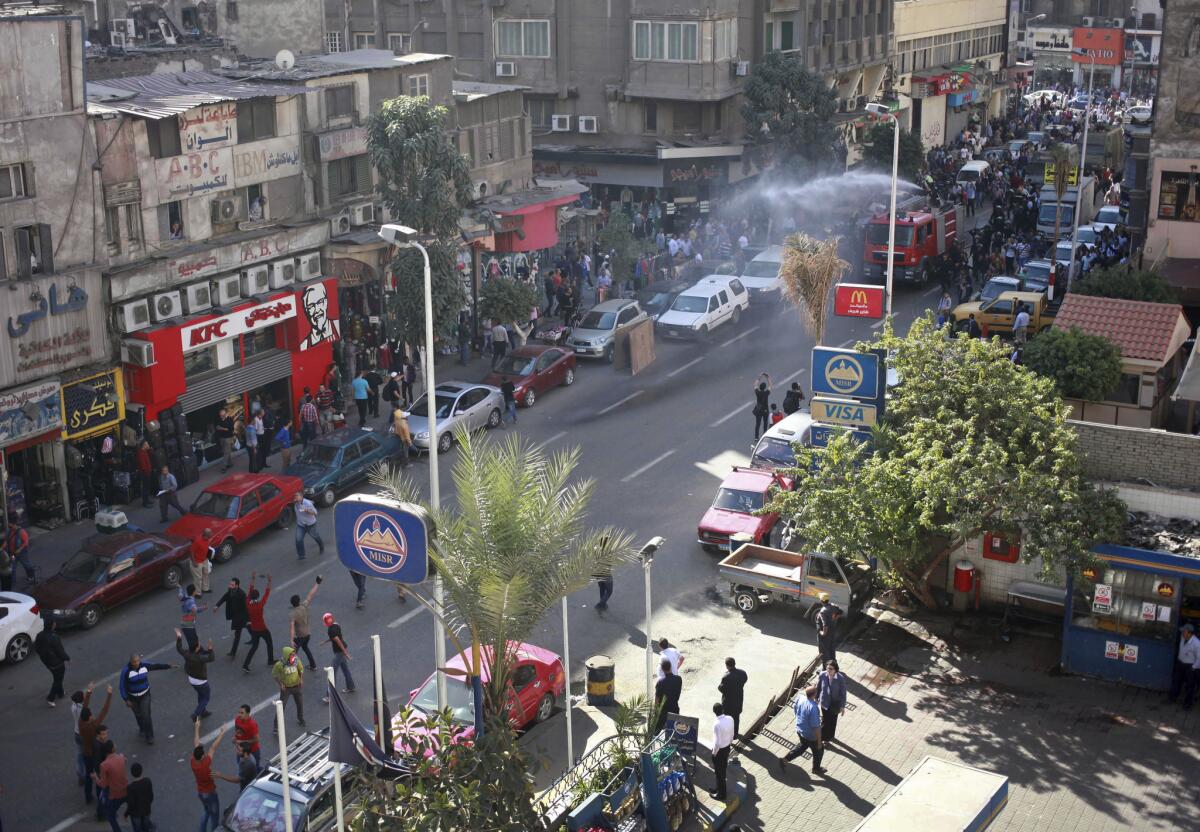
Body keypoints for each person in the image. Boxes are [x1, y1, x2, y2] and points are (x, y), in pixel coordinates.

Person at [191, 721, 237, 832]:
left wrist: (197, 727)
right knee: (215, 817)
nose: (205, 753)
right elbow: (213, 748)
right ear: (202, 756)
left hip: (201, 792)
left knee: (206, 812)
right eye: (204, 753)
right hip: (210, 792)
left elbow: (196, 743)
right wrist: (222, 733)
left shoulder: (193, 761)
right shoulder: (205, 763)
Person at [119, 654, 172, 744]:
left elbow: (155, 666)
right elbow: (122, 686)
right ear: (131, 662)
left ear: (140, 660)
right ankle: (142, 728)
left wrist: (168, 666)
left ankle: (150, 736)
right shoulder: (126, 671)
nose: (136, 663)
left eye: (138, 661)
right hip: (132, 697)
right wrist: (126, 699)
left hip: (145, 695)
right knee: (138, 715)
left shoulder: (144, 665)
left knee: (146, 716)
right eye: (134, 662)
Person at [778, 685, 826, 775]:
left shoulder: (801, 697)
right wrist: (819, 742)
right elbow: (816, 727)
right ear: (815, 695)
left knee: (802, 746)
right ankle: (816, 768)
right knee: (819, 751)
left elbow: (795, 709)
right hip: (810, 735)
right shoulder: (813, 708)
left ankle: (785, 760)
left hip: (800, 730)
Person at [79, 683, 113, 806]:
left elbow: (84, 707)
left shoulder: (81, 723)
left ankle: (88, 796)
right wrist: (109, 695)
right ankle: (101, 800)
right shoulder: (93, 726)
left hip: (85, 752)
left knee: (89, 776)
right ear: (89, 718)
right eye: (91, 715)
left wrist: (89, 692)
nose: (93, 715)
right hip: (94, 753)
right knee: (99, 775)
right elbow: (104, 711)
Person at [176, 629, 216, 721]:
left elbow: (179, 648)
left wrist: (179, 637)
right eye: (198, 645)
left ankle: (203, 711)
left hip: (192, 679)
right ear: (197, 648)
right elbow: (211, 658)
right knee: (206, 697)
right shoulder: (200, 658)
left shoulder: (187, 654)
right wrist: (210, 648)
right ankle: (196, 714)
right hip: (201, 680)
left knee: (200, 694)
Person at [92, 735, 128, 832]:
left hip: (114, 794)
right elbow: (124, 760)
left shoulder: (104, 765)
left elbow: (103, 784)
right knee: (133, 808)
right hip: (125, 790)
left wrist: (95, 778)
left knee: (110, 816)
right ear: (113, 748)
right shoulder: (121, 758)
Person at [241, 573, 274, 673]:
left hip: (254, 629)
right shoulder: (260, 605)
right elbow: (267, 592)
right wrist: (269, 581)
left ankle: (245, 665)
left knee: (254, 647)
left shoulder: (248, 604)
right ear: (258, 596)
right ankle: (270, 660)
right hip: (262, 628)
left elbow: (250, 589)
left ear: (250, 597)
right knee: (269, 643)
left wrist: (253, 578)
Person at [289, 576, 322, 671]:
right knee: (306, 648)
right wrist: (317, 583)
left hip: (300, 637)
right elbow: (311, 594)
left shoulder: (293, 614)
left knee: (293, 653)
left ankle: (292, 670)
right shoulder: (304, 606)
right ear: (299, 601)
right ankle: (313, 665)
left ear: (292, 604)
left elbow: (292, 628)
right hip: (308, 634)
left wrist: (291, 640)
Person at [35, 618, 70, 706]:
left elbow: (37, 648)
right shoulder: (54, 637)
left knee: (57, 677)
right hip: (57, 663)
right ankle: (51, 698)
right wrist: (67, 658)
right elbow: (60, 651)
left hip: (47, 662)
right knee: (58, 679)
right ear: (51, 626)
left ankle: (60, 692)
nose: (55, 625)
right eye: (54, 624)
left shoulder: (39, 635)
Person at [321, 612, 356, 698]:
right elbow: (336, 637)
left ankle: (330, 696)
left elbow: (337, 640)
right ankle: (351, 686)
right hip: (342, 650)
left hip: (339, 652)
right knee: (345, 669)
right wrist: (326, 641)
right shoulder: (336, 625)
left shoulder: (330, 630)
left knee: (332, 671)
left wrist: (345, 653)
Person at [1167, 623, 1200, 709]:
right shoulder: (1183, 637)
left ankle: (1187, 704)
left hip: (1190, 667)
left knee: (1190, 686)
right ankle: (1172, 698)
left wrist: (1193, 668)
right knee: (1176, 682)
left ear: (1190, 633)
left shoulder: (1197, 644)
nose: (1182, 633)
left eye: (1184, 632)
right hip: (1180, 663)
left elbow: (1199, 658)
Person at [271, 646, 306, 728]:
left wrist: (301, 679)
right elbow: (274, 674)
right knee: (281, 707)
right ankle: (276, 726)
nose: (293, 656)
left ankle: (300, 719)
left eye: (294, 654)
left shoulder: (296, 660)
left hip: (297, 686)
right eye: (291, 655)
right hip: (286, 689)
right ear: (286, 655)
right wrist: (281, 684)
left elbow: (301, 669)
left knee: (300, 704)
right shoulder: (280, 664)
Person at [215, 577, 249, 659]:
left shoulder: (242, 594)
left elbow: (246, 607)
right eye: (230, 584)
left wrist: (248, 619)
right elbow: (224, 597)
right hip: (234, 615)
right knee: (249, 627)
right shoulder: (230, 591)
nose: (230, 586)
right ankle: (254, 637)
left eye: (232, 585)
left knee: (237, 634)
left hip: (240, 617)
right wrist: (217, 605)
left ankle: (233, 652)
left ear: (237, 586)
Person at [816, 659, 848, 743]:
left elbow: (843, 694)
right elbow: (818, 687)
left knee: (832, 721)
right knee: (825, 721)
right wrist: (816, 698)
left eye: (831, 669)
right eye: (827, 668)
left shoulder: (840, 678)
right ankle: (824, 738)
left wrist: (842, 706)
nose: (828, 670)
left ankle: (830, 736)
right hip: (824, 702)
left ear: (835, 670)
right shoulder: (823, 675)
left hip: (835, 704)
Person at [710, 702, 735, 802]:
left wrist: (714, 753)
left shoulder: (717, 724)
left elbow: (717, 743)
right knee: (722, 770)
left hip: (719, 752)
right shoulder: (730, 718)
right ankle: (718, 788)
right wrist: (728, 744)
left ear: (714, 712)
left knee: (719, 773)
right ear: (723, 710)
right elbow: (732, 734)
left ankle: (721, 794)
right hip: (727, 748)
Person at [718, 657, 748, 738]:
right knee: (736, 718)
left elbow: (721, 688)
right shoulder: (742, 673)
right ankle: (735, 734)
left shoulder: (726, 677)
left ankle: (728, 735)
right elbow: (745, 680)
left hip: (728, 703)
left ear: (727, 666)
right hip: (738, 700)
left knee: (727, 720)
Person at [292, 492, 324, 561]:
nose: (295, 498)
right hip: (301, 525)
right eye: (295, 497)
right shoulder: (296, 503)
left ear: (301, 497)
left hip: (310, 525)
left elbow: (315, 513)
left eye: (297, 496)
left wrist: (308, 511)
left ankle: (321, 546)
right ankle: (301, 555)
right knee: (298, 539)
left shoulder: (308, 504)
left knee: (315, 536)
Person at [654, 658, 682, 734]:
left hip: (663, 713)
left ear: (662, 669)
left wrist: (655, 714)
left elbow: (656, 701)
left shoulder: (660, 683)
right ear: (670, 667)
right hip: (674, 709)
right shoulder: (679, 679)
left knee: (654, 733)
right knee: (673, 733)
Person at [813, 593, 842, 663]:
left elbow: (825, 624)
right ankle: (833, 665)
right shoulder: (833, 606)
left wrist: (823, 633)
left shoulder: (823, 611)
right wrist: (834, 619)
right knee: (831, 649)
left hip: (825, 635)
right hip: (832, 632)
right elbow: (840, 612)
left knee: (824, 651)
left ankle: (825, 668)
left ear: (821, 601)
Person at [125, 762, 154, 832]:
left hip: (136, 813)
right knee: (146, 827)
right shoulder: (148, 781)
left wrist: (126, 814)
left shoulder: (130, 788)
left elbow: (131, 804)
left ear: (132, 773)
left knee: (138, 828)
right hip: (146, 810)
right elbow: (151, 796)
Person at [178, 583, 207, 650]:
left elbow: (180, 594)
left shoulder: (185, 596)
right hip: (188, 624)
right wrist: (203, 608)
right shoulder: (190, 601)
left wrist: (179, 587)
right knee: (193, 643)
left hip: (185, 623)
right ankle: (196, 654)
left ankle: (196, 652)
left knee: (192, 641)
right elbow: (195, 610)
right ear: (194, 591)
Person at [6, 517, 33, 585]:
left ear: (15, 525)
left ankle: (31, 577)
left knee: (26, 565)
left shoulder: (22, 532)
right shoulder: (9, 531)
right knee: (12, 566)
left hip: (22, 554)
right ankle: (12, 581)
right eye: (9, 526)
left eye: (11, 526)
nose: (10, 528)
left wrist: (20, 549)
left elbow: (26, 542)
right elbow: (7, 541)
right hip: (13, 554)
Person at [234, 704, 262, 768]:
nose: (239, 714)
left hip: (252, 751)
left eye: (242, 713)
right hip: (241, 751)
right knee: (241, 768)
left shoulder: (252, 725)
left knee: (255, 769)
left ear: (248, 714)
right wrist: (235, 738)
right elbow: (237, 731)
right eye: (239, 712)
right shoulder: (237, 719)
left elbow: (256, 739)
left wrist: (241, 742)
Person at [188, 529, 214, 595]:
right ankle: (197, 593)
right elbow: (191, 551)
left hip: (204, 560)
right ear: (206, 535)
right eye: (210, 533)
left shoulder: (207, 539)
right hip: (197, 562)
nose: (212, 534)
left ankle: (205, 588)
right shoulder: (198, 541)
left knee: (206, 574)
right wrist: (194, 562)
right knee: (198, 578)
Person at [752, 373, 772, 440]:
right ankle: (764, 435)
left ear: (760, 387)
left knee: (758, 424)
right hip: (765, 410)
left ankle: (756, 437)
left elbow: (755, 385)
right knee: (765, 424)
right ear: (764, 388)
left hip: (759, 410)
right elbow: (770, 386)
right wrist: (767, 377)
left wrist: (759, 377)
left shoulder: (757, 392)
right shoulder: (766, 393)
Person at [135, 441, 154, 508]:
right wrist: (147, 472)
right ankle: (145, 502)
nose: (148, 445)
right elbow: (143, 465)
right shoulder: (141, 453)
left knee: (147, 487)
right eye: (147, 444)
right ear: (144, 445)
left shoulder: (145, 451)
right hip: (145, 473)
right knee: (145, 488)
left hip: (147, 472)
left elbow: (151, 454)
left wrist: (150, 449)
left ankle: (147, 500)